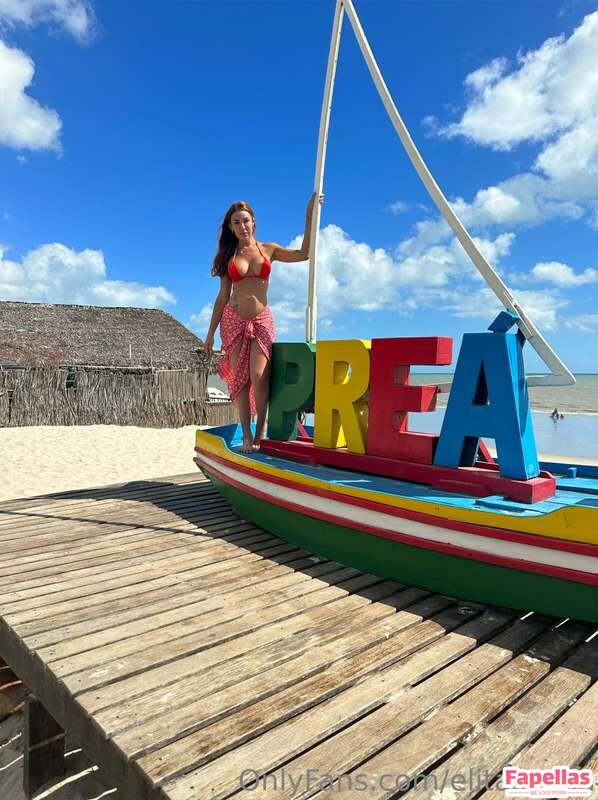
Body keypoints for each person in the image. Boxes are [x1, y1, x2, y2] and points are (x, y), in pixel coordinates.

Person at [204, 193, 320, 453]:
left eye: (245, 221)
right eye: (236, 223)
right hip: (233, 320)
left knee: (259, 376)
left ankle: (260, 432)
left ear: (253, 222)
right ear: (230, 227)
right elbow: (222, 298)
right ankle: (247, 435)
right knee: (242, 380)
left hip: (261, 319)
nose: (242, 226)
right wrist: (210, 333)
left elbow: (304, 254)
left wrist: (309, 215)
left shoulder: (269, 249)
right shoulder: (228, 256)